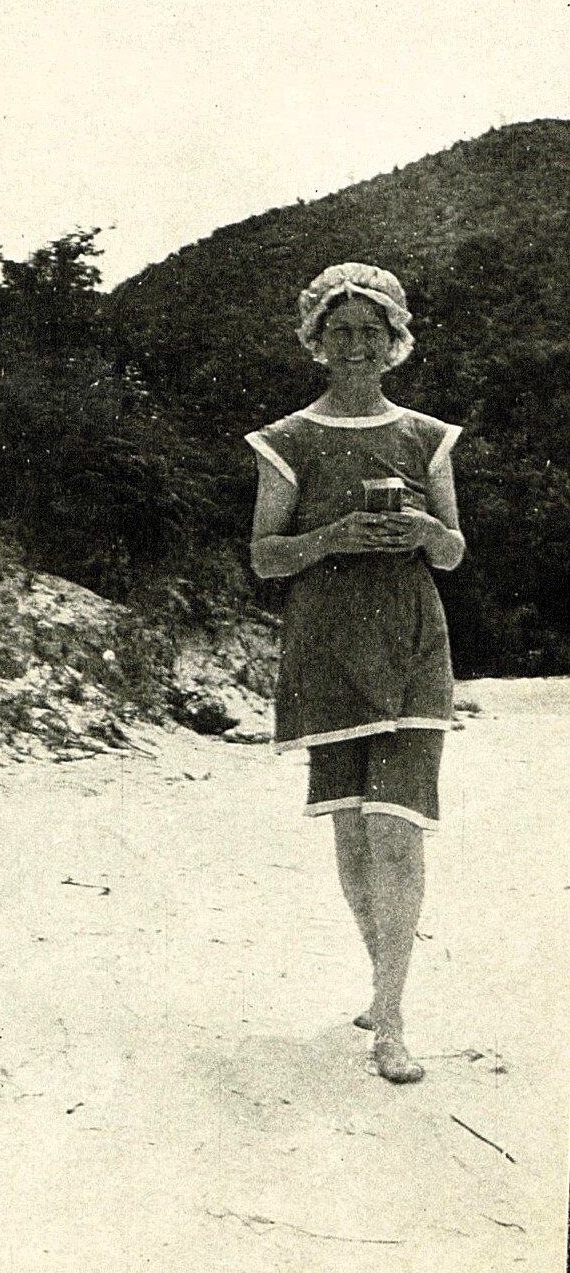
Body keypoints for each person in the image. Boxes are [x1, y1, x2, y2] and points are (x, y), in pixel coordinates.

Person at [245, 262, 465, 1084]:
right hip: (327, 650)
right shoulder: (287, 439)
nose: (355, 345)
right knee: (351, 827)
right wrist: (330, 536)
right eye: (339, 331)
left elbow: (451, 550)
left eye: (370, 332)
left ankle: (392, 1017)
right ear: (316, 340)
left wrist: (419, 529)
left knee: (396, 828)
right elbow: (266, 558)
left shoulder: (425, 436)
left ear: (394, 340)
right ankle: (383, 982)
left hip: (411, 644)